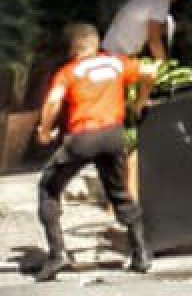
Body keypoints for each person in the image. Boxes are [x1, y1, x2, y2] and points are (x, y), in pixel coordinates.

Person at [32, 23, 152, 281]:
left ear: (72, 48)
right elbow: (148, 70)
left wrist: (44, 130)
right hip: (113, 135)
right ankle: (141, 252)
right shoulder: (116, 63)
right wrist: (140, 101)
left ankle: (57, 254)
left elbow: (54, 100)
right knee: (119, 192)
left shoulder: (69, 71)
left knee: (48, 188)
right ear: (96, 44)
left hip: (83, 138)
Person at [103, 0, 184, 61]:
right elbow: (154, 39)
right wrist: (165, 67)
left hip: (111, 49)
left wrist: (170, 28)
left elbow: (151, 29)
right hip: (116, 54)